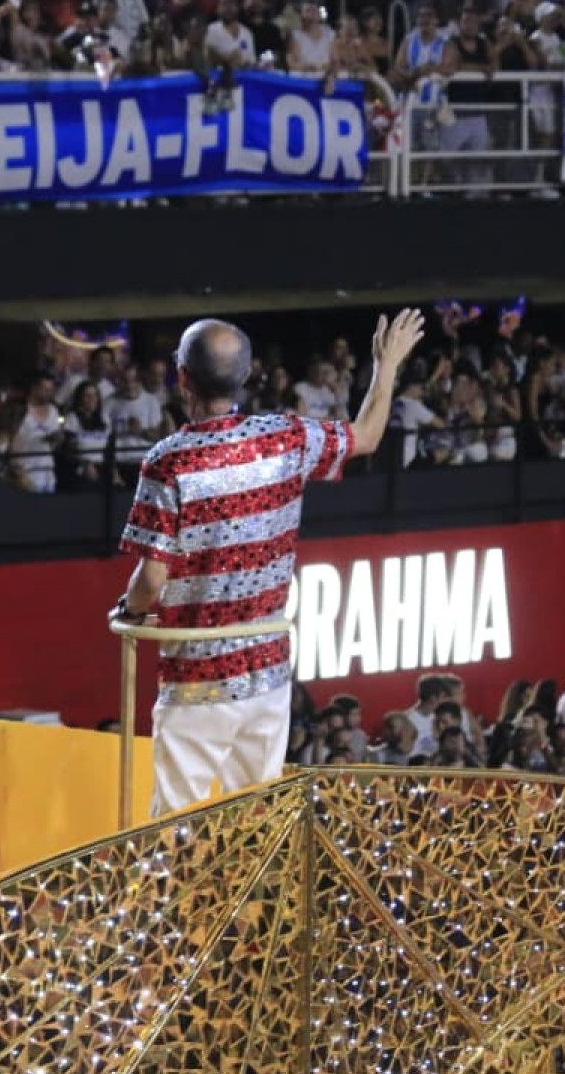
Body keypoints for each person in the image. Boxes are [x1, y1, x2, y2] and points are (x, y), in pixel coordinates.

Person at [113, 309, 426, 816]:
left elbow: (151, 577)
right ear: (246, 374)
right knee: (261, 820)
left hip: (195, 681)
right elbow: (366, 436)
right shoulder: (286, 436)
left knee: (172, 825)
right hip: (268, 675)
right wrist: (386, 365)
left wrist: (130, 611)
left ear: (182, 377)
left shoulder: (169, 462)